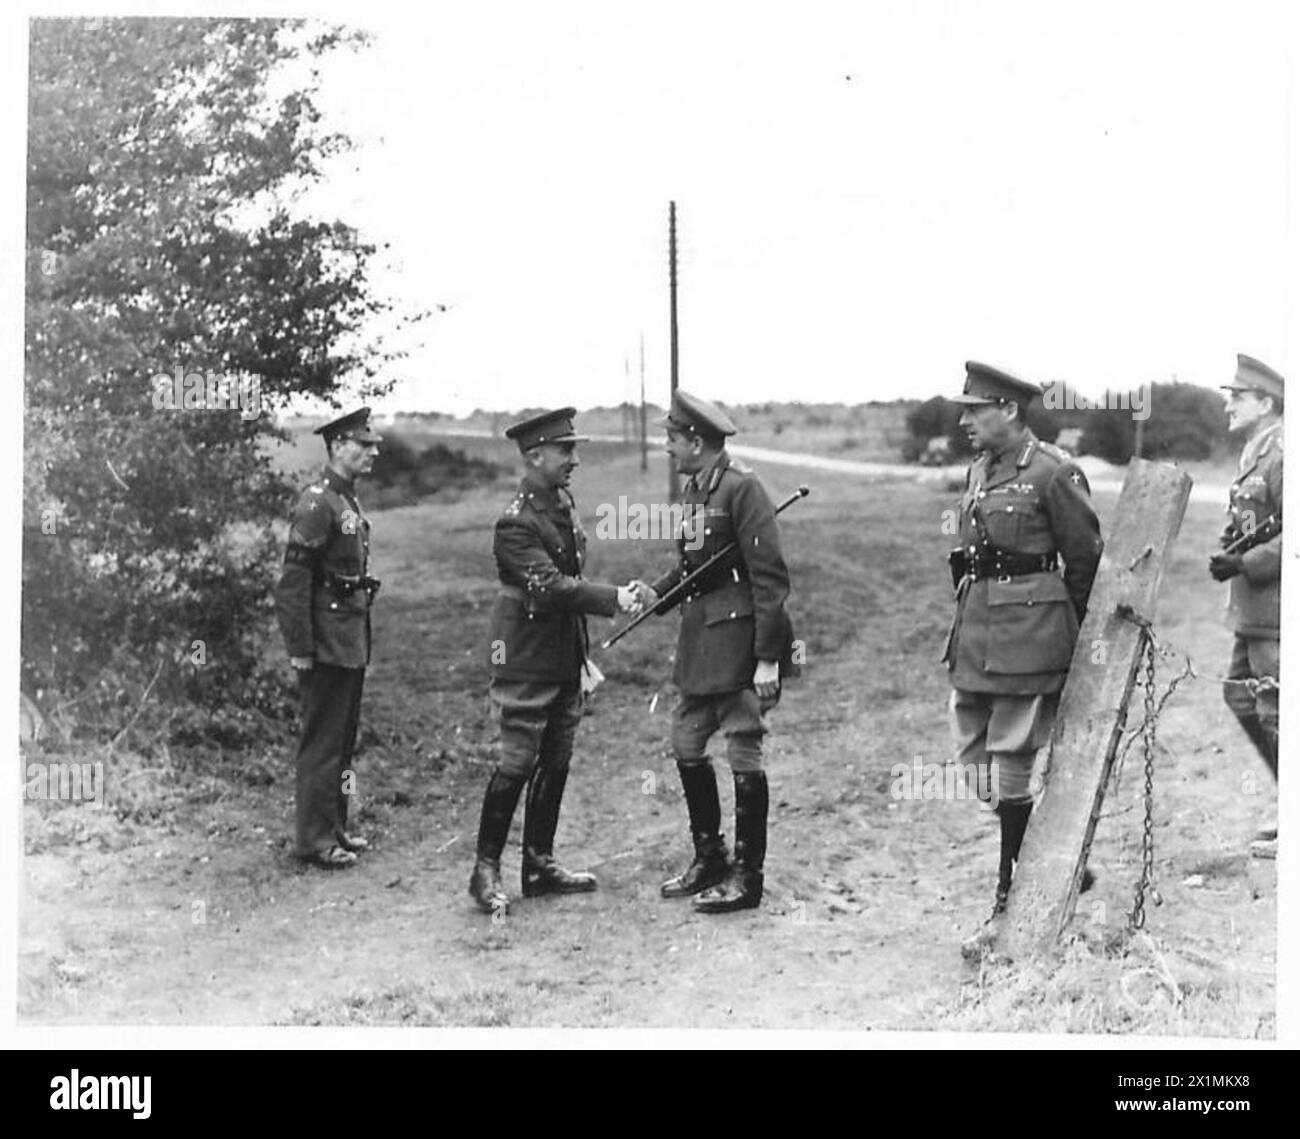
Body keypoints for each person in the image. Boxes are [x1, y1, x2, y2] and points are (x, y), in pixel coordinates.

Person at [943, 363, 1103, 939]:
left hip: (1032, 633)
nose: (965, 419)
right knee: (970, 751)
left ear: (1008, 410)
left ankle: (1009, 903)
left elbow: (1085, 562)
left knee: (1012, 758)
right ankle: (1046, 851)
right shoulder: (978, 471)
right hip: (978, 627)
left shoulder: (1054, 473)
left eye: (975, 409)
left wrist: (1083, 642)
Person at [469, 408, 642, 915]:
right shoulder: (515, 523)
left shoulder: (560, 504)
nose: (575, 460)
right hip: (525, 657)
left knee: (557, 758)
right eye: (566, 450)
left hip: (565, 654)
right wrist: (616, 597)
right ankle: (484, 870)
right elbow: (550, 585)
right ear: (534, 456)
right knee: (517, 760)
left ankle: (539, 864)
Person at [631, 390, 796, 914]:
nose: (667, 449)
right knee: (686, 740)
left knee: (743, 743)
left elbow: (769, 577)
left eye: (672, 440)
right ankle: (711, 857)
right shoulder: (697, 493)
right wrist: (658, 593)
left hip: (739, 642)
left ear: (696, 441)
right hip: (701, 640)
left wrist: (770, 657)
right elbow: (694, 569)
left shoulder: (742, 489)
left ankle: (748, 877)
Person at [274, 407, 383, 869]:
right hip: (325, 641)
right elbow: (293, 581)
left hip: (348, 636)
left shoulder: (346, 500)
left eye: (373, 443)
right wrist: (300, 648)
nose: (373, 450)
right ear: (338, 445)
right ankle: (314, 840)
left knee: (341, 740)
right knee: (322, 741)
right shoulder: (318, 503)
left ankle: (335, 828)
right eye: (364, 443)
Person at [1210, 353, 1283, 860]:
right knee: (1241, 696)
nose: (1228, 405)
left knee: (1278, 709)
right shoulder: (1256, 452)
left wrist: (1245, 563)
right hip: (1255, 610)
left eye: (1237, 397)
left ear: (1266, 401)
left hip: (1278, 608)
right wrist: (1231, 544)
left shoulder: (1284, 452)